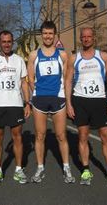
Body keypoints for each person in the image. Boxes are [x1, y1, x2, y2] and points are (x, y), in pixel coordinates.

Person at [65, 27, 107, 186]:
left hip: (99, 101)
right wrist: (69, 103)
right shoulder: (73, 58)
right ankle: (85, 170)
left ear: (93, 38)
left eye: (89, 36)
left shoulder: (103, 56)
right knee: (83, 136)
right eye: (84, 37)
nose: (86, 39)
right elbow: (68, 81)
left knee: (106, 136)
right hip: (80, 101)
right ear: (80, 39)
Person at [27, 20, 75, 184]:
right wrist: (36, 93)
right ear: (41, 35)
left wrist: (67, 100)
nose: (48, 36)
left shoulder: (62, 55)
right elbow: (30, 79)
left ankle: (66, 168)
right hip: (40, 99)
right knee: (40, 136)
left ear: (55, 35)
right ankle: (40, 168)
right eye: (45, 33)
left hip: (58, 98)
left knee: (61, 135)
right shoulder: (34, 55)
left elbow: (66, 78)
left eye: (50, 33)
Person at [0, 30, 31, 186]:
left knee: (17, 136)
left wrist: (27, 102)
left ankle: (18, 170)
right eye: (3, 41)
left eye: (9, 41)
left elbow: (24, 82)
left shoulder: (19, 61)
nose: (6, 44)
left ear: (12, 42)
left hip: (15, 103)